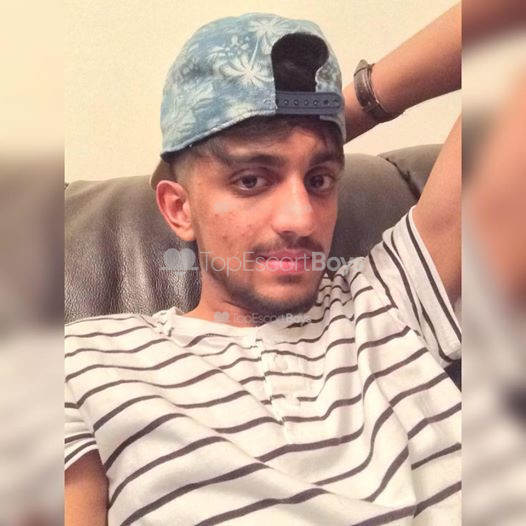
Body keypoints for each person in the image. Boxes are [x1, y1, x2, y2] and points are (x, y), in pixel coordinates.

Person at [65, 6, 461, 526]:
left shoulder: (391, 295)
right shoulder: (84, 361)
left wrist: (333, 114)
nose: (302, 218)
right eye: (251, 180)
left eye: (319, 179)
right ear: (179, 209)